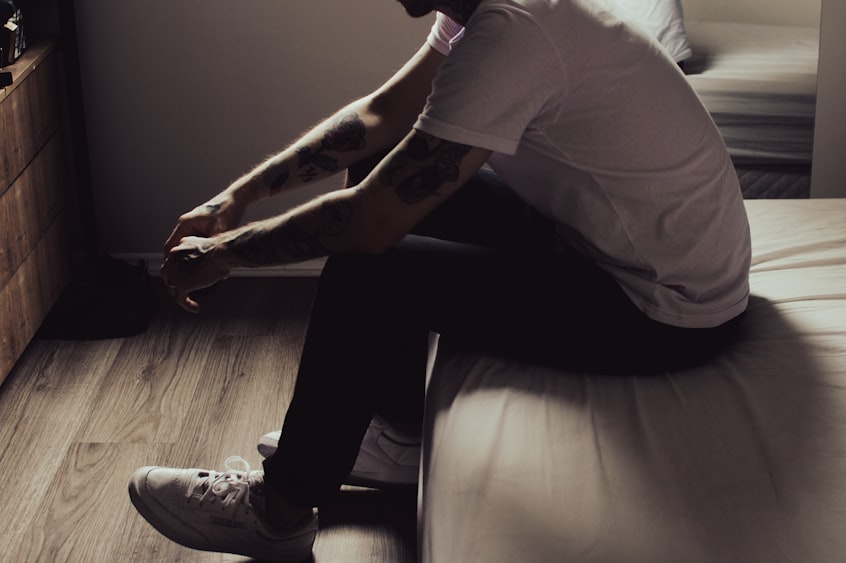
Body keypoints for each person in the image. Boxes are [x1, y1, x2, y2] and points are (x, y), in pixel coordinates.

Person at [127, 0, 751, 559]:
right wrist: (237, 198)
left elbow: (369, 225)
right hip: (599, 246)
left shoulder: (513, 35)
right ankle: (402, 433)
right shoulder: (478, 12)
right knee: (385, 162)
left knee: (371, 271)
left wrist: (225, 254)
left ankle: (277, 515)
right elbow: (378, 116)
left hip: (661, 309)